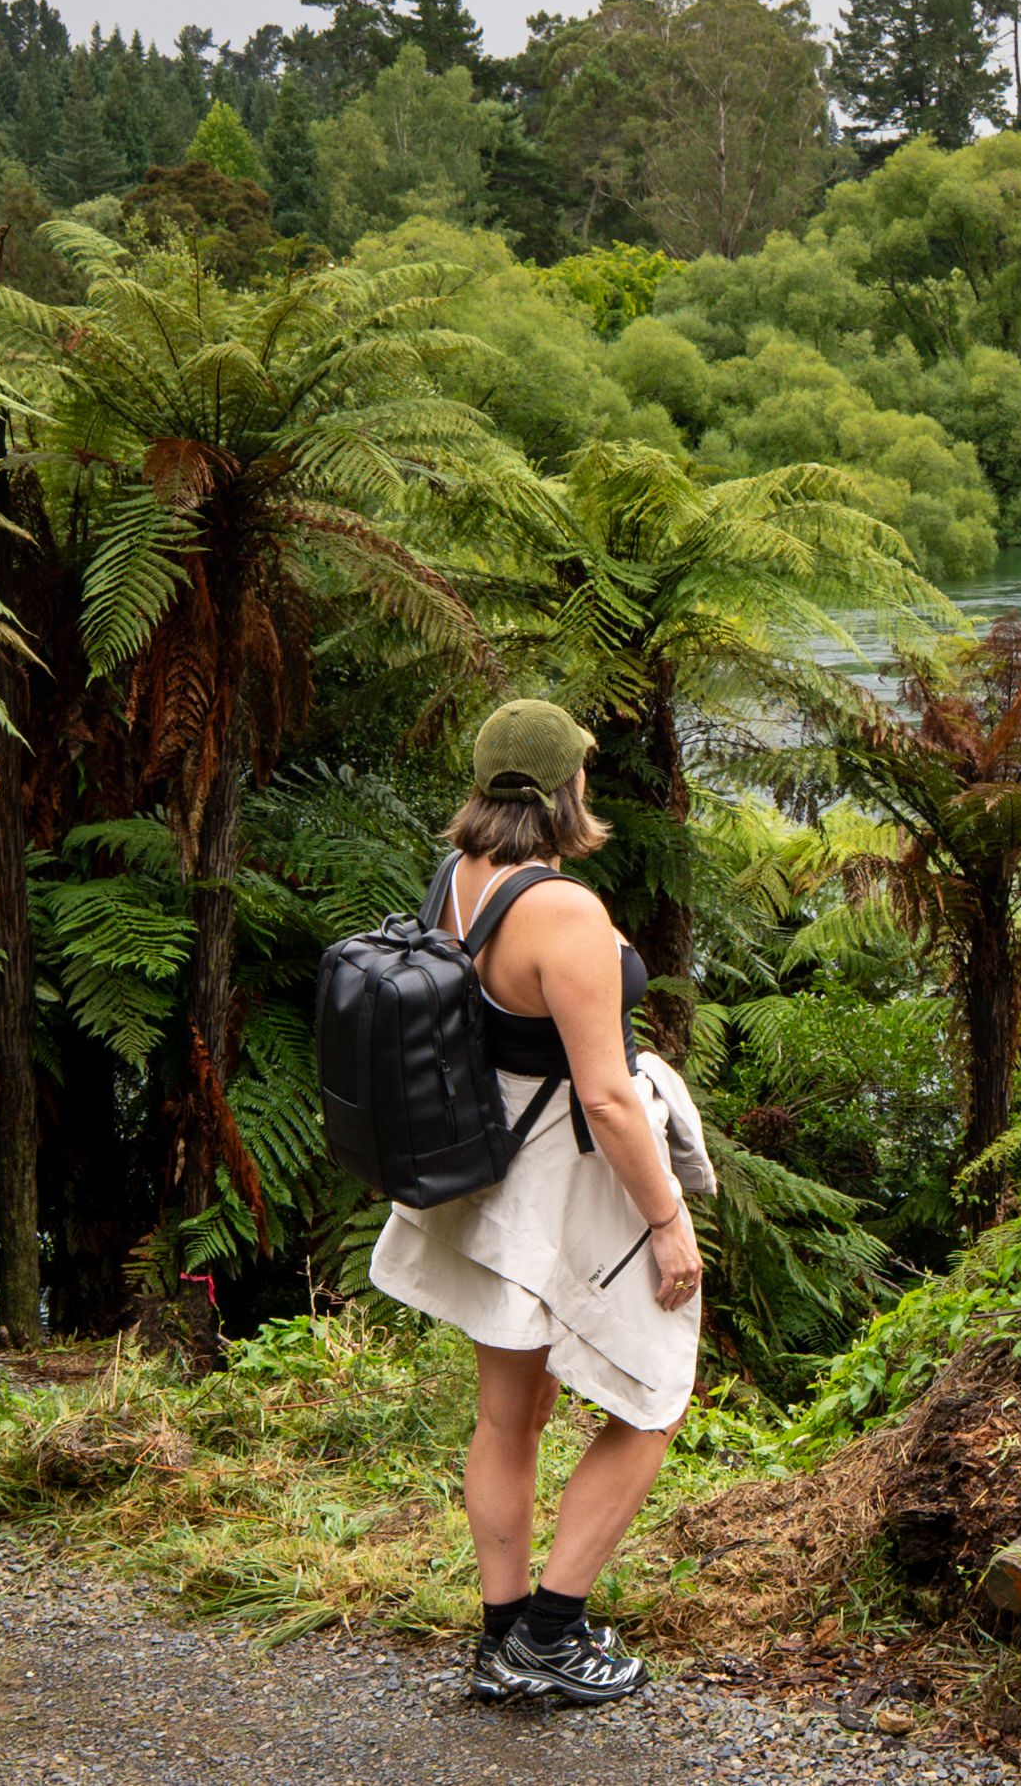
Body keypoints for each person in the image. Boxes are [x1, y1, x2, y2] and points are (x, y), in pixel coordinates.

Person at [370, 697, 704, 1708]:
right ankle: (552, 1636)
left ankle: (503, 1637)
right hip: (562, 1180)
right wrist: (665, 1219)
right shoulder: (561, 910)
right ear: (568, 788)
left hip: (483, 1164)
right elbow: (605, 1097)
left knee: (507, 1415)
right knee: (651, 1398)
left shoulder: (457, 882)